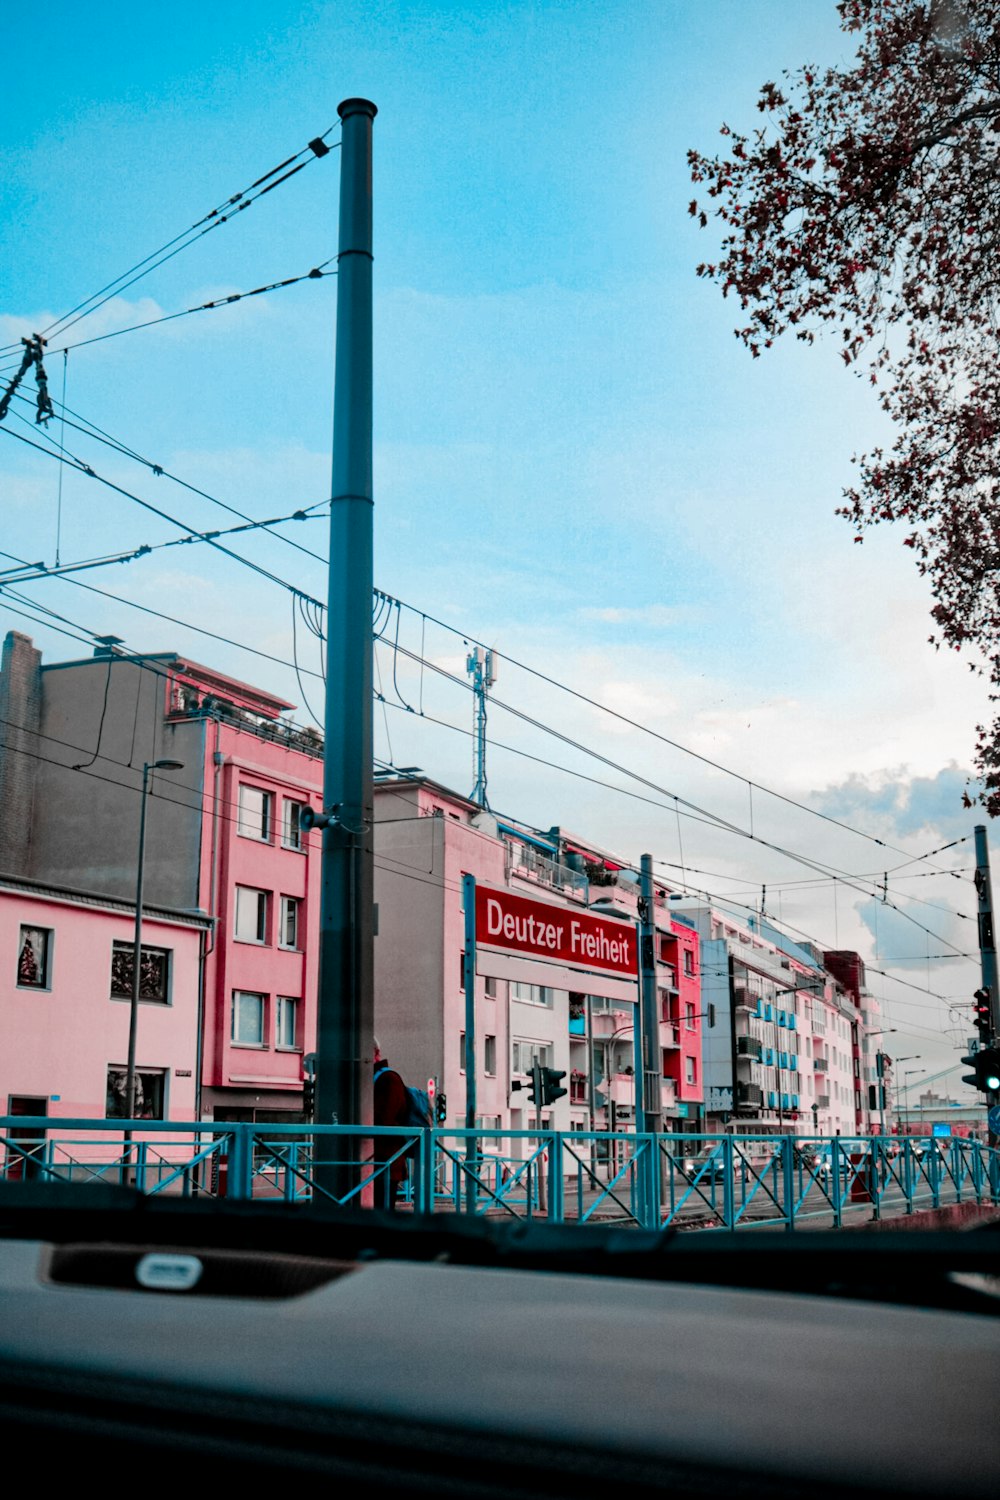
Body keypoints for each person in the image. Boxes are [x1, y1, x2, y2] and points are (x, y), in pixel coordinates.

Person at [373, 1038, 410, 1211]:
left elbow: (385, 1120)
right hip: (379, 1161)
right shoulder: (379, 1078)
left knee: (382, 1212)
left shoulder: (388, 1079)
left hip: (385, 1161)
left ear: (375, 1053)